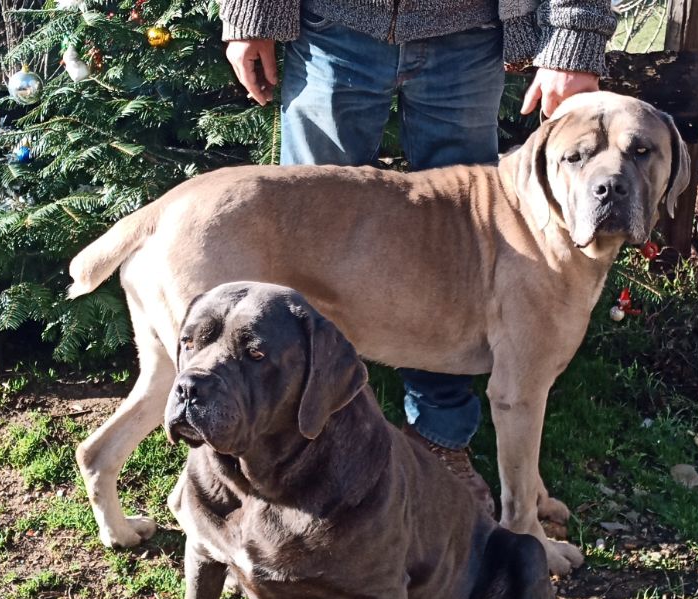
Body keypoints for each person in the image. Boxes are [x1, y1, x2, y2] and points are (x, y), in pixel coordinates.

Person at [217, 0, 616, 511]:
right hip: (334, 28)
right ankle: (306, 446)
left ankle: (440, 439)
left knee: (461, 267)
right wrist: (252, 13)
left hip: (467, 38)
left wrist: (574, 39)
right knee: (302, 263)